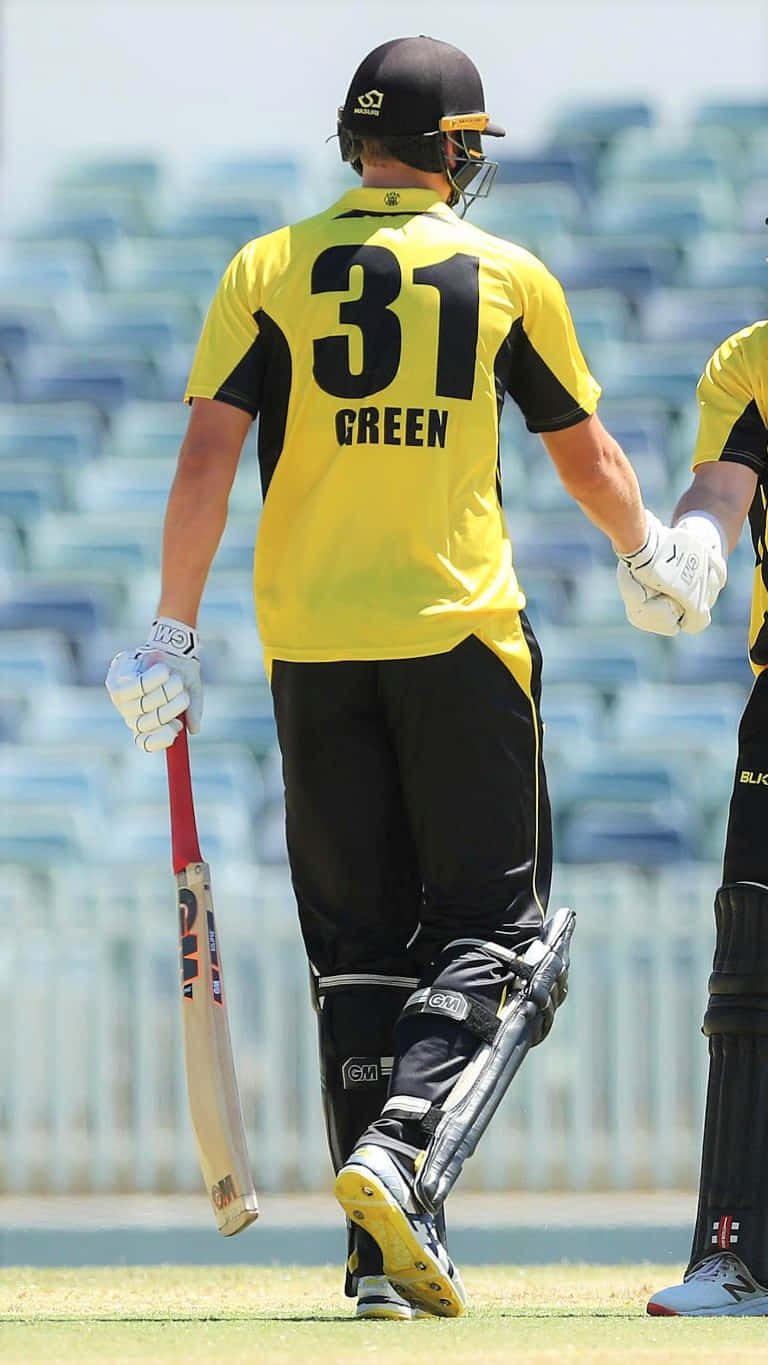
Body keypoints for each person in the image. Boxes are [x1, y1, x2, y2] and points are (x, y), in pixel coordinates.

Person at [105, 35, 725, 1320]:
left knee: (358, 958)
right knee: (507, 945)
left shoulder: (265, 268)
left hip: (312, 649)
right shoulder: (504, 273)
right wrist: (653, 552)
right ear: (452, 150)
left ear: (353, 141)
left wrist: (170, 631)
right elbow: (590, 453)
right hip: (457, 640)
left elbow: (206, 463)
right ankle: (402, 1151)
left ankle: (379, 1248)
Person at [638, 321, 768, 1317]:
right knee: (751, 974)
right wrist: (689, 551)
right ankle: (734, 1257)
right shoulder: (751, 359)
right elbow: (724, 488)